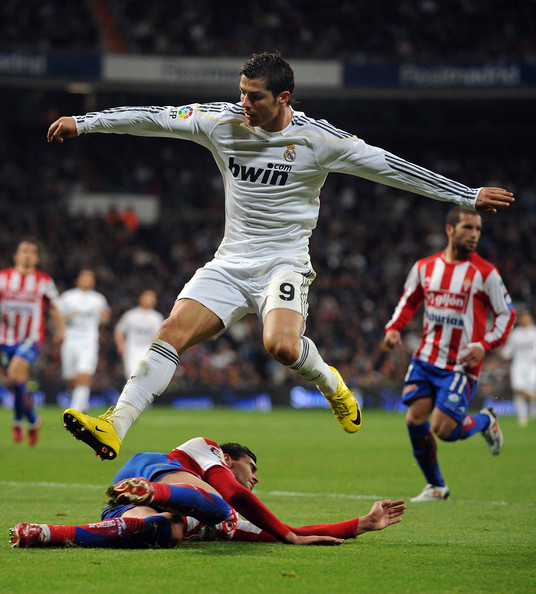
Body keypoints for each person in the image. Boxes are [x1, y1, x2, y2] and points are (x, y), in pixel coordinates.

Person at [47, 51, 515, 461]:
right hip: (230, 262)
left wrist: (466, 195)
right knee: (171, 331)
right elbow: (153, 118)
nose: (243, 103)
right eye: (242, 92)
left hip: (284, 263)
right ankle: (115, 424)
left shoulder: (320, 141)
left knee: (282, 347)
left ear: (283, 97)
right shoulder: (221, 121)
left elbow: (392, 167)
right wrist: (83, 123)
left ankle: (331, 383)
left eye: (255, 97)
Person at [10, 437, 406, 547]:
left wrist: (363, 523)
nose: (255, 479)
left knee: (167, 532)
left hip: (132, 506)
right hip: (157, 471)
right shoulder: (203, 449)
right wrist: (288, 535)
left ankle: (43, 533)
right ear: (229, 459)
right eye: (252, 468)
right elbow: (234, 494)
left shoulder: (231, 521)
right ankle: (152, 493)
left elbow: (287, 532)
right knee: (218, 505)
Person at [382, 206, 516, 502]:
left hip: (460, 364)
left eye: (478, 229)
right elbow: (409, 301)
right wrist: (394, 328)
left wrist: (484, 345)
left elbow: (507, 314)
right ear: (449, 230)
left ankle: (485, 420)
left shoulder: (486, 273)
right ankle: (436, 487)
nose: (474, 234)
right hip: (426, 357)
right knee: (415, 420)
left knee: (443, 430)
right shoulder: (425, 267)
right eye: (468, 227)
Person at [0, 239, 65, 445]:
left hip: (31, 338)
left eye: (32, 251)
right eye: (24, 251)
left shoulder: (43, 280)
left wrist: (61, 329)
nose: (27, 254)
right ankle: (32, 420)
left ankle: (19, 422)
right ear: (16, 255)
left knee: (14, 372)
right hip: (4, 339)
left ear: (36, 258)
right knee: (17, 381)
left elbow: (54, 306)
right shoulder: (3, 278)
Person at [57, 269, 111, 413]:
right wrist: (67, 318)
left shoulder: (98, 299)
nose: (87, 281)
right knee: (71, 378)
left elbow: (105, 319)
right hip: (70, 340)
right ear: (78, 280)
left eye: (90, 278)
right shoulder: (67, 297)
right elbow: (57, 318)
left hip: (89, 341)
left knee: (84, 374)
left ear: (93, 282)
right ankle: (82, 403)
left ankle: (76, 410)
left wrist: (105, 317)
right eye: (84, 278)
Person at [114, 290, 164, 380]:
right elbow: (119, 331)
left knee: (146, 379)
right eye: (147, 297)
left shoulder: (157, 318)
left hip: (148, 352)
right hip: (131, 351)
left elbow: (160, 336)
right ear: (141, 298)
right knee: (132, 377)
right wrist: (120, 344)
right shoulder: (130, 315)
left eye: (152, 298)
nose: (149, 300)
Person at [500, 308, 536, 427]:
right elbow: (510, 352)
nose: (524, 319)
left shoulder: (534, 333)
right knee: (518, 389)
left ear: (530, 319)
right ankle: (522, 416)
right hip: (518, 365)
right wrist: (504, 353)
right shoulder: (515, 334)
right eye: (522, 317)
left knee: (529, 388)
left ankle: (530, 411)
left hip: (532, 365)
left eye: (526, 317)